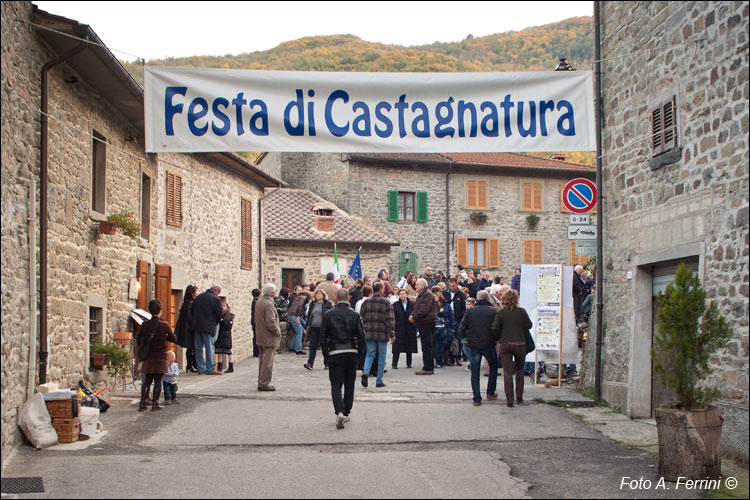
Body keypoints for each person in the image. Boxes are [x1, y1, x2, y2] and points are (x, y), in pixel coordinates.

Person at [320, 288, 366, 429]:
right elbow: (361, 336)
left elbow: (323, 337)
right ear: (348, 298)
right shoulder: (354, 315)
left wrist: (326, 355)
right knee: (349, 384)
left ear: (336, 298)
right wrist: (359, 353)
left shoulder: (329, 314)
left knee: (336, 384)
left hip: (335, 351)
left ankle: (339, 410)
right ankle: (346, 412)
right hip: (351, 350)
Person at [457, 291, 499, 406]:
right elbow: (497, 328)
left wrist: (465, 339)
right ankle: (490, 392)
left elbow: (461, 329)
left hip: (474, 344)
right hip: (489, 343)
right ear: (488, 299)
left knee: (475, 371)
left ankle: (476, 398)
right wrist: (495, 338)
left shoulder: (470, 311)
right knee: (493, 366)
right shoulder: (494, 311)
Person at [492, 289, 532, 407]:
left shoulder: (500, 313)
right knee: (520, 370)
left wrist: (499, 337)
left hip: (505, 344)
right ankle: (519, 396)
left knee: (507, 372)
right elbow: (529, 325)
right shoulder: (521, 311)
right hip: (520, 343)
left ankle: (509, 399)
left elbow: (494, 328)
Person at [137, 299, 177, 411]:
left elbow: (138, 338)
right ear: (160, 311)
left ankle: (142, 404)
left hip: (148, 357)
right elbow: (173, 338)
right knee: (158, 382)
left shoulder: (145, 325)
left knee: (147, 382)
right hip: (160, 357)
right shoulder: (164, 325)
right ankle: (155, 403)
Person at [360, 281, 395, 388]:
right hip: (382, 332)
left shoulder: (366, 302)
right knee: (382, 356)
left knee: (370, 354)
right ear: (381, 289)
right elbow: (390, 320)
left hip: (370, 331)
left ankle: (365, 371)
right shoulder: (386, 302)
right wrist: (392, 334)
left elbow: (362, 316)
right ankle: (379, 380)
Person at [191, 286, 224, 375]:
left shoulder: (199, 297)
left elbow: (192, 310)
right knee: (209, 347)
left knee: (198, 348)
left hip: (197, 326)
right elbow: (220, 314)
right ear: (216, 291)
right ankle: (210, 368)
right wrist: (215, 322)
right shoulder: (215, 299)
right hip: (209, 326)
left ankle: (200, 368)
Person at [255, 284, 282, 391]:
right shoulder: (269, 304)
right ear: (272, 293)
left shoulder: (260, 301)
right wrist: (277, 331)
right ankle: (264, 383)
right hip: (268, 337)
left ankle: (261, 381)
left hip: (261, 335)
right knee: (267, 361)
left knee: (263, 360)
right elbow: (271, 322)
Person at [411, 278, 438, 375]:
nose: (416, 286)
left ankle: (428, 368)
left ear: (423, 285)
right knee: (426, 346)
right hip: (423, 322)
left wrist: (414, 317)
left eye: (417, 284)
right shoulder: (423, 294)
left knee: (427, 346)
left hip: (427, 322)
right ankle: (427, 366)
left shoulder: (427, 295)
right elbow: (418, 307)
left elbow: (423, 310)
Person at [304, 288, 333, 370]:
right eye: (317, 294)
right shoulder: (312, 304)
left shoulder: (327, 304)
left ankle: (327, 362)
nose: (318, 295)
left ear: (323, 295)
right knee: (312, 346)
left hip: (323, 328)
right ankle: (310, 363)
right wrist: (307, 327)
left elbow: (330, 316)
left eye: (320, 294)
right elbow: (309, 316)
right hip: (313, 327)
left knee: (324, 346)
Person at [174, 284, 198, 373]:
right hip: (188, 329)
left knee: (191, 347)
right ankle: (190, 364)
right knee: (191, 347)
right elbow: (189, 317)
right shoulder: (189, 304)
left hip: (187, 328)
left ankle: (191, 365)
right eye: (195, 291)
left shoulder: (187, 303)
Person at [443, 278, 467, 366]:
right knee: (448, 339)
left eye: (453, 286)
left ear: (457, 285)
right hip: (447, 319)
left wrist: (461, 317)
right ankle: (449, 358)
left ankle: (458, 357)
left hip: (457, 319)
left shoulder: (461, 294)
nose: (452, 288)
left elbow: (464, 308)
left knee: (458, 339)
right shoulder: (445, 293)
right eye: (450, 286)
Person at [392, 289, 417, 369]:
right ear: (399, 295)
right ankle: (394, 364)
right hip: (399, 328)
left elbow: (415, 314)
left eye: (404, 293)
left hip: (409, 327)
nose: (402, 295)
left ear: (406, 294)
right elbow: (393, 316)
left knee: (409, 346)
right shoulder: (395, 305)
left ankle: (409, 363)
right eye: (401, 294)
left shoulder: (412, 304)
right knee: (397, 347)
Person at [433, 288, 456, 369]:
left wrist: (453, 327)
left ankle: (445, 360)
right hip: (436, 328)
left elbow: (451, 316)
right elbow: (433, 315)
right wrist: (440, 312)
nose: (435, 297)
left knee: (445, 345)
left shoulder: (446, 305)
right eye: (434, 295)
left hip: (446, 327)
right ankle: (439, 361)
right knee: (437, 346)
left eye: (436, 295)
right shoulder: (433, 305)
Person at [287, 289, 309, 355]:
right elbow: (300, 306)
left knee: (297, 332)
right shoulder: (303, 298)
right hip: (294, 315)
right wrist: (299, 315)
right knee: (299, 332)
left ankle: (292, 347)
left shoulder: (296, 298)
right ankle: (298, 349)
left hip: (291, 315)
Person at [215, 299, 234, 373]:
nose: (222, 307)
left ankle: (231, 366)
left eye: (224, 305)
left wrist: (222, 321)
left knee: (228, 351)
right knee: (219, 351)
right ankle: (219, 366)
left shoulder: (230, 316)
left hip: (226, 335)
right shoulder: (219, 315)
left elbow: (229, 326)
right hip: (219, 335)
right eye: (221, 305)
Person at [251, 288, 261, 357]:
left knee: (256, 336)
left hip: (254, 320)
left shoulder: (254, 301)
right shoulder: (256, 301)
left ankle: (256, 351)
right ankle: (256, 351)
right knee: (257, 337)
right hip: (256, 321)